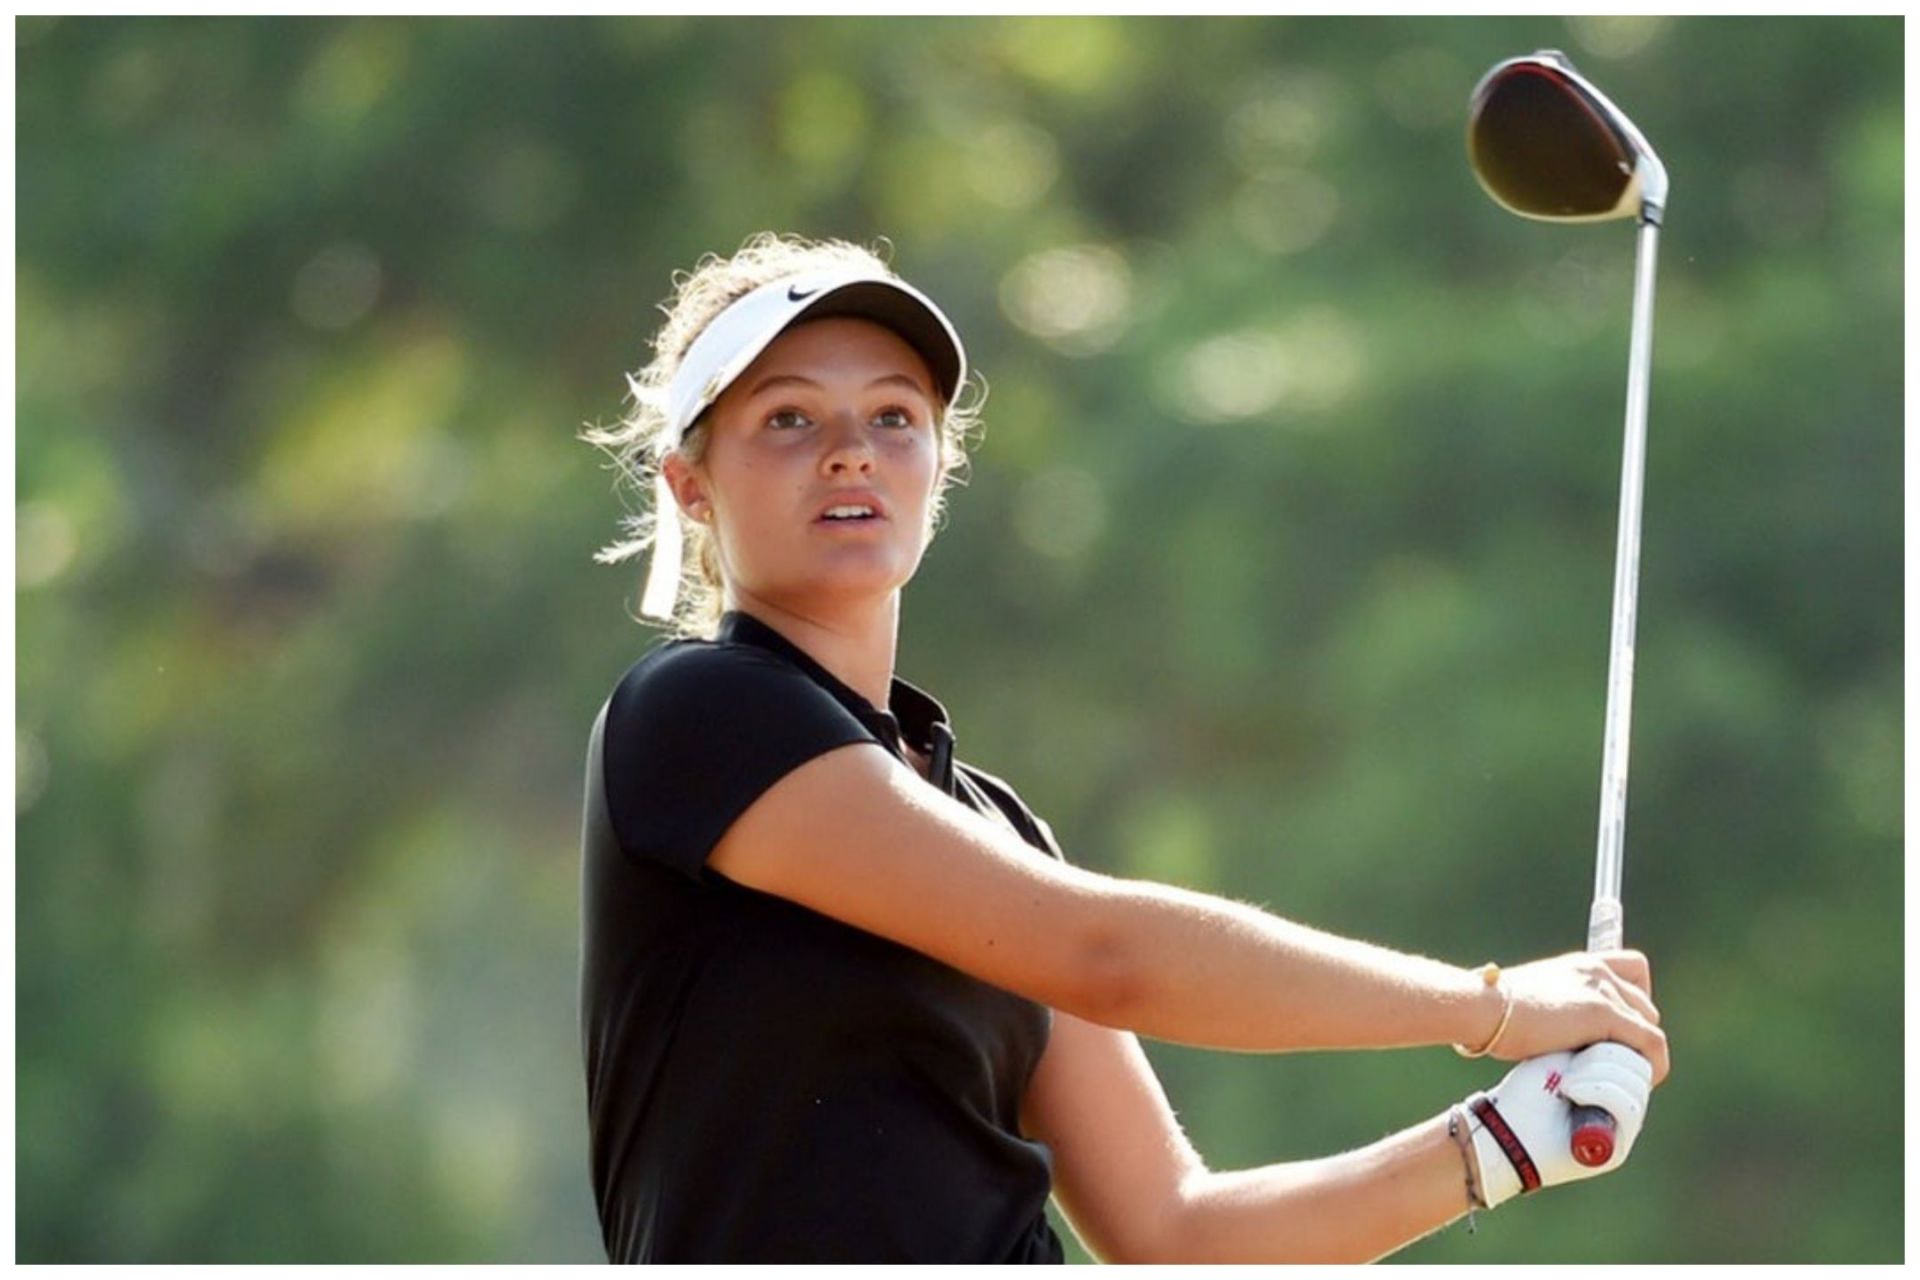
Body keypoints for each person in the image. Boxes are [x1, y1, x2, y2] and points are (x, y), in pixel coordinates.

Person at [576, 232, 1669, 1264]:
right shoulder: (697, 712)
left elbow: (1174, 1229)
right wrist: (1492, 1006)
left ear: (938, 468)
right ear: (690, 483)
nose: (852, 452)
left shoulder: (993, 824)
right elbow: (1105, 952)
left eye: (895, 417)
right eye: (788, 419)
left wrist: (1495, 1144)